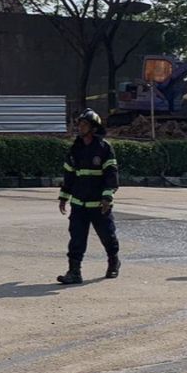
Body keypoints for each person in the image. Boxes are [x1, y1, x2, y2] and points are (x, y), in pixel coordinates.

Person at [57, 109, 121, 284]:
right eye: (79, 124)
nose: (80, 128)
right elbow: (69, 174)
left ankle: (113, 262)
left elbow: (111, 175)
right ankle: (74, 272)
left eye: (84, 124)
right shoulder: (75, 148)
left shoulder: (104, 148)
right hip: (79, 203)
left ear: (93, 127)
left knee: (107, 235)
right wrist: (63, 196)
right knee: (76, 238)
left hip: (99, 205)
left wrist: (107, 197)